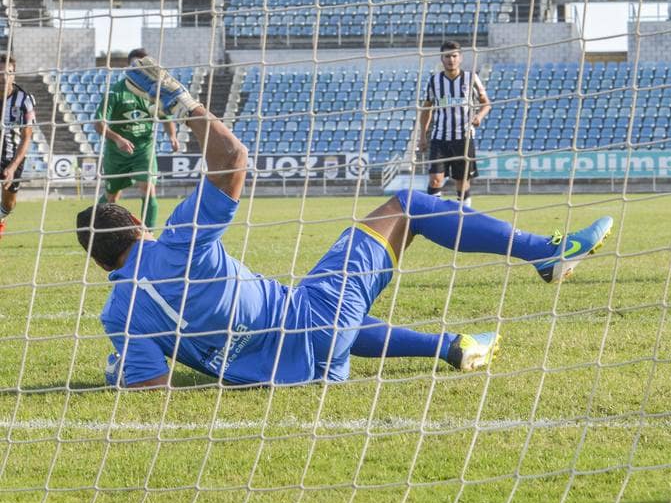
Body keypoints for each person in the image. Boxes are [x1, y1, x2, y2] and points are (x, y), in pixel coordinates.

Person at [78, 57, 613, 389]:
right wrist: (179, 99)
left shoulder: (117, 315)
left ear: (100, 260)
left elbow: (154, 385)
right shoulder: (175, 243)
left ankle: (450, 347)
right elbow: (233, 159)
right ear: (134, 222)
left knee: (331, 311)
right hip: (311, 323)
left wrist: (119, 370)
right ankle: (545, 252)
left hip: (298, 373)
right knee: (407, 205)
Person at [94, 48, 181, 228]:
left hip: (143, 149)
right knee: (112, 196)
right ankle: (95, 225)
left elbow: (166, 117)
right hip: (117, 153)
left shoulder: (155, 93)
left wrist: (172, 136)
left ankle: (147, 234)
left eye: (143, 66)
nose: (139, 69)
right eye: (135, 65)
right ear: (128, 67)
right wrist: (117, 138)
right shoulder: (116, 92)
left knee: (148, 189)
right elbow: (98, 124)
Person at [417, 40, 490, 208]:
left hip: (463, 138)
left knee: (462, 181)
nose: (451, 60)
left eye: (454, 56)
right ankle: (433, 216)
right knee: (435, 180)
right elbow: (426, 109)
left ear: (460, 58)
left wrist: (479, 116)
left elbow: (486, 103)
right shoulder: (434, 81)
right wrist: (422, 136)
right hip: (439, 138)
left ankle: (464, 218)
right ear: (442, 59)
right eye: (447, 56)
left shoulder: (471, 78)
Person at [1, 53, 36, 241]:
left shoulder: (24, 100)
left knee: (9, 203)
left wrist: (13, 166)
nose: (4, 77)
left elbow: (26, 137)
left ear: (14, 74)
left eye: (9, 72)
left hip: (11, 157)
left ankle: (1, 218)